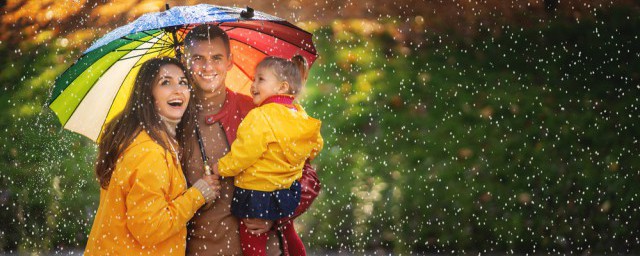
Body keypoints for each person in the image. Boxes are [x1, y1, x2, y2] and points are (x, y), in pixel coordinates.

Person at [177, 24, 322, 255]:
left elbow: (307, 177)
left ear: (230, 61)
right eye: (197, 58)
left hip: (264, 247)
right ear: (186, 62)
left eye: (216, 57)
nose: (207, 67)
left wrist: (275, 214)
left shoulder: (259, 110)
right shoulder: (173, 119)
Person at [84, 57, 220, 255]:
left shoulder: (150, 140)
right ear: (148, 94)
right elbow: (149, 228)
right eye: (165, 82)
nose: (178, 89)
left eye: (183, 82)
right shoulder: (149, 152)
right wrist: (197, 195)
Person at [212, 55, 323, 256]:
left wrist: (221, 167)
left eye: (260, 79)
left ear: (282, 87)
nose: (253, 85)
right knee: (289, 233)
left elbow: (244, 154)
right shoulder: (299, 113)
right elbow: (316, 145)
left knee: (252, 242)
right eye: (254, 79)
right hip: (288, 189)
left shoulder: (259, 116)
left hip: (257, 191)